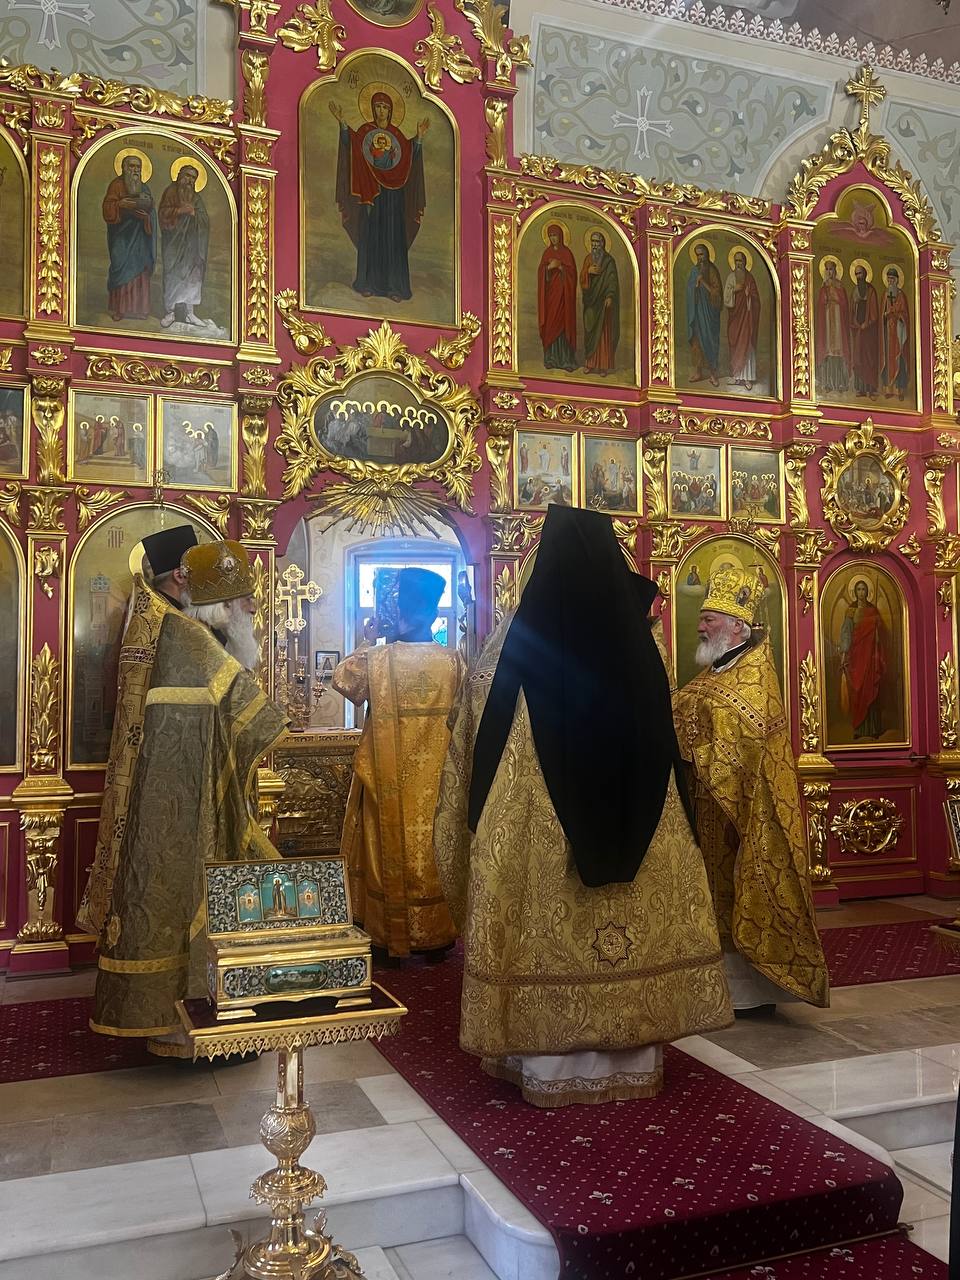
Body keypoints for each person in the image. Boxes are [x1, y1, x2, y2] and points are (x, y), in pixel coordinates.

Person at [434, 507, 732, 1108]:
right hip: (644, 828)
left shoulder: (511, 646)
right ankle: (633, 1056)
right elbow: (668, 739)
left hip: (538, 839)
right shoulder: (643, 647)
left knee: (541, 928)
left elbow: (470, 741)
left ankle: (545, 1063)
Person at [78, 538, 285, 1054]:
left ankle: (196, 1015)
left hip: (186, 794)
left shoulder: (177, 629)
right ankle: (184, 1025)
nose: (252, 609)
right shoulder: (189, 638)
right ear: (218, 604)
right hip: (183, 801)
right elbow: (253, 714)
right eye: (243, 600)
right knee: (183, 900)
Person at [673, 567, 829, 1013]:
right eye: (702, 618)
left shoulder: (756, 676)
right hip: (707, 807)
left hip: (743, 811)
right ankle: (717, 985)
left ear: (737, 626)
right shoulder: (715, 672)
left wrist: (694, 736)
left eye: (709, 619)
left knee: (742, 889)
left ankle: (752, 993)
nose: (700, 627)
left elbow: (743, 741)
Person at [334, 568, 465, 959]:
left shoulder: (377, 659)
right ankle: (436, 935)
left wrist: (369, 637)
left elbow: (343, 680)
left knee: (387, 848)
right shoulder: (454, 661)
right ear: (434, 612)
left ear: (399, 610)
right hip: (438, 785)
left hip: (387, 782)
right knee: (435, 848)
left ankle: (387, 935)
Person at [330, 91, 427, 302]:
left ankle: (394, 287)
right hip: (371, 193)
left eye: (384, 107)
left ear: (390, 111)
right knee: (371, 236)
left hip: (393, 196)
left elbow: (408, 158)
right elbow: (352, 146)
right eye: (377, 107)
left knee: (392, 238)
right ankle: (368, 283)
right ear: (373, 109)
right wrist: (343, 125)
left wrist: (418, 138)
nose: (381, 111)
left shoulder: (397, 136)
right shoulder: (365, 132)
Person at [102, 152, 158, 322]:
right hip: (122, 235)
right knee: (121, 267)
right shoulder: (116, 185)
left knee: (140, 271)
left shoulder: (144, 188)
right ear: (124, 168)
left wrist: (147, 215)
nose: (135, 170)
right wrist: (120, 204)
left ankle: (140, 309)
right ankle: (120, 309)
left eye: (138, 167)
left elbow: (152, 211)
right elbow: (108, 207)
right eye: (132, 166)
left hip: (140, 237)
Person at [158, 164, 209, 328]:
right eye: (187, 176)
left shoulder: (196, 198)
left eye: (193, 178)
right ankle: (170, 312)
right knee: (173, 275)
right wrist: (180, 211)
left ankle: (189, 313)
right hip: (174, 243)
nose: (190, 180)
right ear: (179, 176)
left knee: (193, 276)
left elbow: (205, 220)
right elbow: (162, 214)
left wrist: (194, 213)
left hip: (192, 246)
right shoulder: (170, 192)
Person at [838, 579, 886, 741]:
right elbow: (846, 632)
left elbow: (879, 633)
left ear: (867, 592)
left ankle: (874, 729)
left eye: (863, 589)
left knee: (870, 688)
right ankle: (858, 728)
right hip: (857, 656)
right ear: (854, 592)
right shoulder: (851, 611)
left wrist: (877, 625)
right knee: (858, 690)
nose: (861, 592)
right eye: (858, 589)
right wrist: (844, 652)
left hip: (870, 656)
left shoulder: (873, 610)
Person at [537, 223, 577, 371]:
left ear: (561, 236)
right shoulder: (547, 253)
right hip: (551, 297)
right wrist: (548, 268)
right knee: (551, 324)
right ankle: (551, 358)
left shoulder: (567, 253)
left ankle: (566, 359)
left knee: (564, 325)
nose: (553, 238)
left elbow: (573, 275)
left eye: (555, 235)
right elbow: (541, 273)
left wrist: (560, 267)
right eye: (551, 236)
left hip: (564, 297)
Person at [580, 230, 620, 375]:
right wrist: (588, 272)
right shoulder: (588, 259)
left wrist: (610, 296)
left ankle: (603, 365)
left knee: (603, 333)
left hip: (603, 302)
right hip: (591, 302)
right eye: (593, 242)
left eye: (597, 241)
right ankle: (590, 363)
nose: (595, 245)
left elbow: (612, 280)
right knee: (590, 330)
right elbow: (582, 279)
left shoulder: (609, 261)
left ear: (603, 243)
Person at [686, 241, 723, 387]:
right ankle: (698, 371)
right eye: (697, 255)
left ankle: (713, 374)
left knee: (710, 341)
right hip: (697, 311)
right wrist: (694, 286)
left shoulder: (712, 270)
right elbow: (690, 290)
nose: (700, 257)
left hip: (710, 313)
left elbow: (717, 293)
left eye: (702, 254)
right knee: (697, 342)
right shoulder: (694, 271)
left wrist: (704, 283)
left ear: (707, 254)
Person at [724, 250, 760, 390]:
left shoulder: (750, 278)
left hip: (747, 318)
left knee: (747, 344)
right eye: (736, 261)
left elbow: (756, 299)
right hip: (735, 317)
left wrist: (748, 295)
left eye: (741, 261)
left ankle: (747, 378)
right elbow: (726, 297)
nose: (738, 263)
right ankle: (736, 376)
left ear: (745, 262)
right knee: (735, 344)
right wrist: (734, 290)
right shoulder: (731, 277)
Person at [814, 258, 850, 395]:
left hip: (838, 321)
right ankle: (828, 383)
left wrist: (835, 297)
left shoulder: (840, 286)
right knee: (828, 351)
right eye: (827, 269)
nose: (829, 272)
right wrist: (825, 298)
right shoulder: (823, 287)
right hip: (828, 321)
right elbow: (820, 305)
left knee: (839, 351)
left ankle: (841, 383)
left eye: (831, 269)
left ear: (835, 271)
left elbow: (845, 305)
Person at [849, 263, 880, 398]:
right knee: (858, 359)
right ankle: (861, 389)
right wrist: (855, 323)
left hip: (869, 332)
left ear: (865, 274)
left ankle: (871, 388)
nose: (858, 277)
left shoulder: (871, 291)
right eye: (856, 274)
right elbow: (852, 310)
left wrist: (867, 323)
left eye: (860, 273)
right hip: (858, 331)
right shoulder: (855, 291)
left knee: (869, 358)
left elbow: (874, 312)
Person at [880, 266, 910, 401]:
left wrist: (897, 314)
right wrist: (885, 315)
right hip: (887, 333)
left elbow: (905, 314)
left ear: (897, 280)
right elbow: (881, 313)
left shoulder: (901, 295)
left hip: (898, 332)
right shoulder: (885, 295)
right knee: (888, 359)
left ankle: (899, 390)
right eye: (888, 279)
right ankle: (888, 389)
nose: (890, 281)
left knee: (899, 358)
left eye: (892, 278)